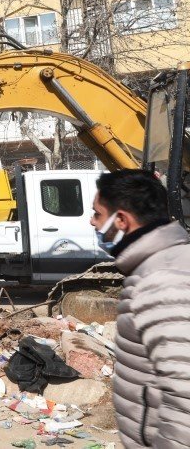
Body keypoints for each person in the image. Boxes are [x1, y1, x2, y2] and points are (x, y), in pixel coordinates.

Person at [90, 169, 190, 448]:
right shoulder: (167, 263)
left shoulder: (160, 281)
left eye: (97, 214)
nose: (91, 221)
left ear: (121, 219)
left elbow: (185, 395)